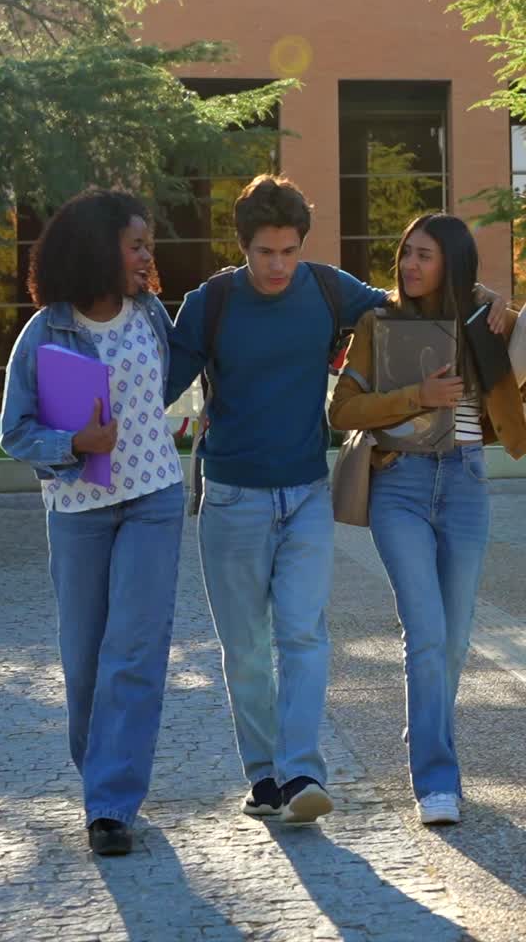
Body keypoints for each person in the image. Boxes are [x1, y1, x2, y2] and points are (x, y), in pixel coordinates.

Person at [165, 173, 390, 825]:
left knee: (303, 634)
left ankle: (300, 772)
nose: (279, 265)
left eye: (289, 250)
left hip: (306, 495)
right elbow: (154, 385)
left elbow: (401, 310)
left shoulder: (327, 289)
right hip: (232, 499)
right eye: (266, 252)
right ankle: (262, 774)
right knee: (244, 647)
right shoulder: (211, 303)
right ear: (244, 247)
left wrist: (478, 295)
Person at [0, 189, 184, 857]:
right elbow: (15, 432)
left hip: (153, 500)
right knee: (85, 659)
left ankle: (111, 804)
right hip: (79, 510)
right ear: (99, 247)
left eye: (147, 247)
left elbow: (163, 389)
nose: (145, 258)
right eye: (136, 245)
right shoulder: (47, 330)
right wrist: (76, 444)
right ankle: (101, 779)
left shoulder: (150, 314)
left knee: (134, 651)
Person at [329, 213, 526, 825]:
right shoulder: (376, 322)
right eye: (406, 252)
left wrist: (501, 307)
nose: (410, 265)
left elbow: (515, 377)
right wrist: (420, 395)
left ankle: (425, 739)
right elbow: (343, 409)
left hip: (466, 482)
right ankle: (437, 780)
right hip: (400, 484)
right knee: (427, 630)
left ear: (452, 264)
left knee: (457, 636)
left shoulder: (484, 322)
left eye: (426, 256)